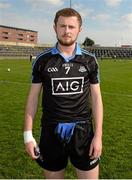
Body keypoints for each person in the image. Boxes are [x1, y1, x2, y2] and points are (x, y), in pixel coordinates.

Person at [24, 8, 103, 179]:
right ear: (55, 28)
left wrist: (98, 136)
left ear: (79, 29)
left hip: (83, 132)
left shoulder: (90, 60)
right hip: (51, 131)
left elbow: (96, 98)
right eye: (62, 26)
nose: (66, 31)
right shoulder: (42, 60)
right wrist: (27, 135)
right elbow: (33, 97)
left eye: (71, 27)